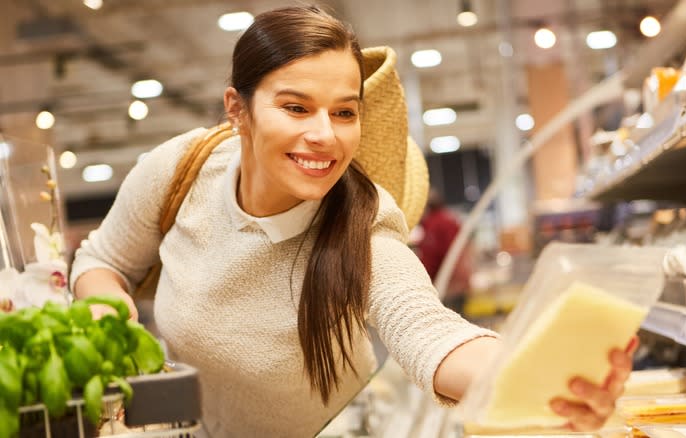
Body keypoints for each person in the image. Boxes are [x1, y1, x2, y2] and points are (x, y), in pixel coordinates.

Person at [70, 6, 635, 437]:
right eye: (296, 107)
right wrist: (105, 309)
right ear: (237, 109)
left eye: (344, 112)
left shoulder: (362, 226)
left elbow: (428, 332)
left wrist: (531, 372)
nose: (325, 134)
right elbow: (103, 261)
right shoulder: (181, 170)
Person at [418, 188, 471, 315]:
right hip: (453, 285)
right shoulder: (448, 220)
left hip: (447, 287)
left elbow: (436, 257)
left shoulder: (436, 224)